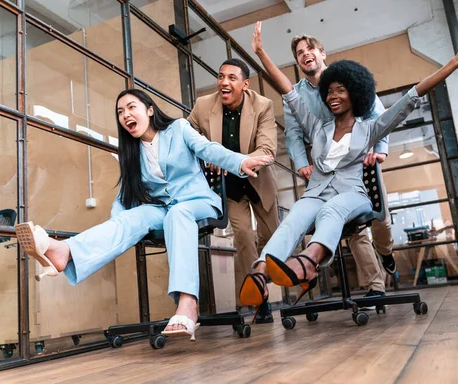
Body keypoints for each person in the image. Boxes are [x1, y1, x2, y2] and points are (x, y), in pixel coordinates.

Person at [240, 21, 458, 306]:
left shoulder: (370, 129)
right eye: (329, 92)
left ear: (355, 94)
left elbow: (412, 96)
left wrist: (453, 64)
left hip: (352, 194)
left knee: (335, 212)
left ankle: (309, 262)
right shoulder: (318, 127)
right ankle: (260, 272)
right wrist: (260, 52)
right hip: (316, 191)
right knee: (292, 220)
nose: (333, 96)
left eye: (341, 91)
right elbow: (288, 92)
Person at [15, 89, 274, 341]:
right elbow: (124, 198)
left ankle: (187, 303)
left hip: (197, 203)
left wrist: (240, 162)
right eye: (120, 112)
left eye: (131, 107)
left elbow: (209, 149)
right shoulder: (131, 152)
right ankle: (63, 252)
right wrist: (121, 225)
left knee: (179, 212)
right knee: (133, 217)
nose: (125, 114)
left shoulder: (179, 128)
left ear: (149, 110)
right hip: (164, 209)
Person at [285, 33, 395, 299]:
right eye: (299, 52)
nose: (305, 54)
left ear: (322, 53)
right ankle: (375, 287)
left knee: (381, 220)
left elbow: (378, 114)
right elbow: (293, 134)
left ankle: (386, 250)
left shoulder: (346, 76)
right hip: (325, 168)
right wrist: (302, 164)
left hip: (361, 158)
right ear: (298, 61)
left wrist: (378, 149)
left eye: (310, 48)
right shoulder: (297, 94)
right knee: (352, 227)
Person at [188, 58, 279, 323]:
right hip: (228, 187)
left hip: (257, 179)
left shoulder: (263, 106)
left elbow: (268, 150)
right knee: (242, 236)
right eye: (220, 76)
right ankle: (257, 299)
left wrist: (238, 162)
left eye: (231, 78)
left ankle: (268, 276)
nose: (223, 82)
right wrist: (205, 157)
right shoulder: (203, 106)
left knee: (271, 237)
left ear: (245, 84)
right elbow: (187, 135)